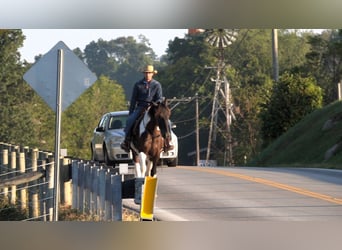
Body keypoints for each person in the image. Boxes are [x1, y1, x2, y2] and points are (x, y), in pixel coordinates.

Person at [120, 65, 174, 152]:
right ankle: (127, 141)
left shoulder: (157, 85)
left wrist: (154, 104)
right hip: (141, 107)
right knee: (130, 120)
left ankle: (168, 141)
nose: (147, 74)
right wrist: (131, 112)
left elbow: (160, 98)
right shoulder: (138, 85)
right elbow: (133, 99)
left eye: (149, 73)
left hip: (154, 108)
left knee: (167, 122)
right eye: (146, 73)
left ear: (152, 74)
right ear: (144, 74)